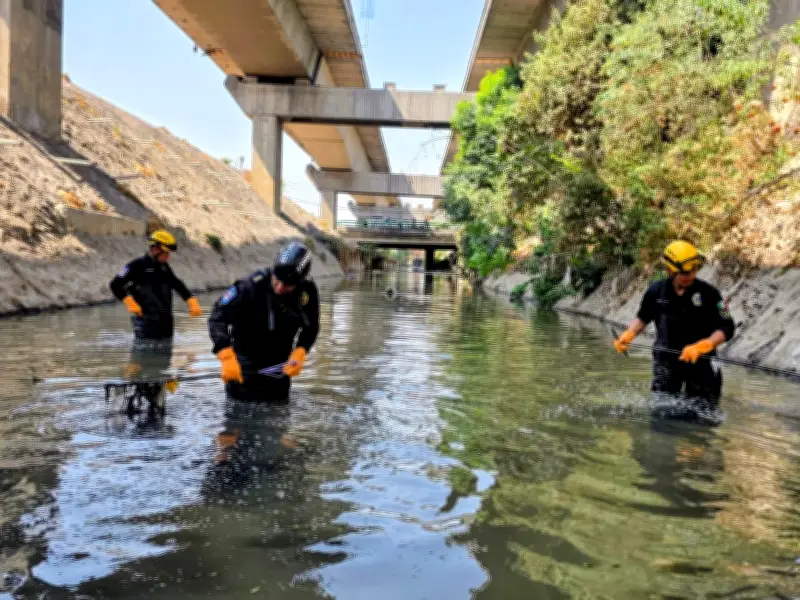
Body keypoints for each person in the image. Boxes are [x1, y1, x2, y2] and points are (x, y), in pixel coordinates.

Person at [613, 240, 736, 417]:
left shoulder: (710, 294)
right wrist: (628, 335)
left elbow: (727, 326)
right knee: (661, 414)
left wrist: (705, 345)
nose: (690, 275)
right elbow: (643, 317)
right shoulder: (656, 292)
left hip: (702, 364)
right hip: (666, 362)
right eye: (684, 272)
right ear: (670, 270)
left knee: (702, 417)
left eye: (694, 270)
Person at [208, 241, 320, 402]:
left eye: (288, 285)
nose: (280, 287)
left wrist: (301, 351)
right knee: (237, 420)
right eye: (277, 280)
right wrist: (225, 354)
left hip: (279, 370)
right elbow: (217, 318)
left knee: (278, 420)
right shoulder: (250, 287)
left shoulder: (306, 292)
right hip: (242, 369)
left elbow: (311, 327)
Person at [109, 229, 203, 347]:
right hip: (146, 322)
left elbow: (177, 284)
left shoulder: (164, 268)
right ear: (155, 249)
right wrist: (129, 302)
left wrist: (190, 300)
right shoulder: (137, 266)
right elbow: (115, 284)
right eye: (166, 253)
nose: (168, 257)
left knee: (164, 361)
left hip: (166, 323)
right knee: (146, 358)